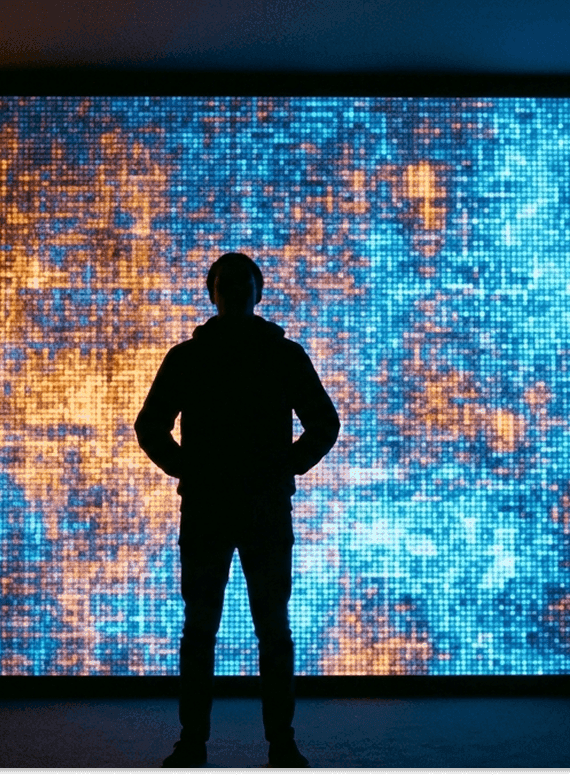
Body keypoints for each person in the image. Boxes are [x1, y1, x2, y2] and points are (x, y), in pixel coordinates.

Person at [135, 252, 340, 769]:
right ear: (251, 294)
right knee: (265, 627)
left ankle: (196, 743)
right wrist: (283, 469)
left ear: (217, 294)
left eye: (234, 285)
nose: (234, 294)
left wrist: (189, 471)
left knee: (207, 629)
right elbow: (323, 424)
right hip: (260, 508)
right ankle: (278, 743)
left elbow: (150, 427)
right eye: (233, 286)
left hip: (213, 508)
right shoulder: (280, 354)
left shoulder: (191, 357)